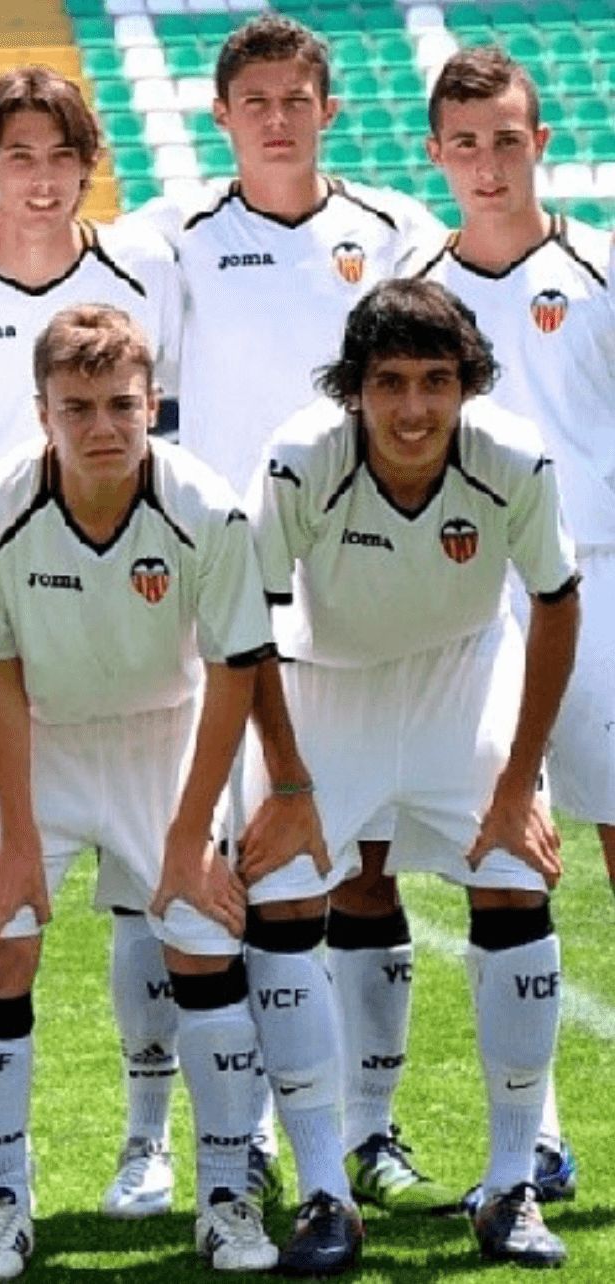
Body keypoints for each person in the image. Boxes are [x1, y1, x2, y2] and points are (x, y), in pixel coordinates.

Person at [0, 304, 359, 1278]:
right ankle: (3, 1200)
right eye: (77, 406)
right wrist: (13, 840)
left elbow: (232, 668)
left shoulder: (204, 508)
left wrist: (186, 839)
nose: (101, 427)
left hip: (168, 740)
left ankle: (225, 1196)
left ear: (153, 403)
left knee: (206, 946)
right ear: (40, 411)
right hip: (34, 748)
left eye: (121, 405)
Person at [0, 65, 185, 1222]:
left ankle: (153, 1143)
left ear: (87, 164)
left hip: (129, 614)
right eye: (17, 158)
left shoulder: (143, 272)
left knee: (152, 900)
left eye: (60, 155)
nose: (41, 177)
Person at [250, 277, 579, 1267]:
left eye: (436, 382)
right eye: (388, 383)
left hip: (462, 678)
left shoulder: (514, 457)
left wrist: (519, 781)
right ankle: (320, 1195)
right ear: (352, 388)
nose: (412, 409)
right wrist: (287, 782)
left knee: (516, 888)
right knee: (280, 901)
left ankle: (512, 1186)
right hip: (323, 689)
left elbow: (555, 607)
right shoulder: (299, 458)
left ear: (467, 382)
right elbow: (245, 627)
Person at [409, 44, 613, 1211]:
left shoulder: (599, 265)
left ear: (541, 143)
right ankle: (534, 1139)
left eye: (507, 138)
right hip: (478, 600)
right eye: (465, 142)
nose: (488, 164)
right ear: (434, 154)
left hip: (605, 577)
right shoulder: (410, 288)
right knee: (507, 861)